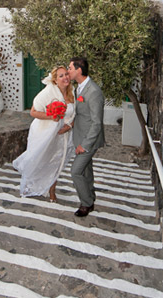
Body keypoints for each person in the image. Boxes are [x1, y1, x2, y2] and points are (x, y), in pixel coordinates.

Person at [12, 66, 75, 202]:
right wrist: (52, 116)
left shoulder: (72, 92)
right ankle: (32, 184)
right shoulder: (48, 93)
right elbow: (33, 112)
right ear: (55, 80)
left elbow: (76, 114)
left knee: (56, 163)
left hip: (63, 136)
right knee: (41, 160)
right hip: (45, 134)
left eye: (66, 74)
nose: (65, 77)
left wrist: (69, 126)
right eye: (61, 76)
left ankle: (52, 190)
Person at [67, 56, 105, 217]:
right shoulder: (79, 88)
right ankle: (91, 196)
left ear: (79, 70)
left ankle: (86, 203)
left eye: (70, 68)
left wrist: (85, 144)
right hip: (80, 136)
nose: (68, 71)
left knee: (76, 171)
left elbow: (97, 123)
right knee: (86, 170)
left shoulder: (94, 91)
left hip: (89, 139)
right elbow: (81, 114)